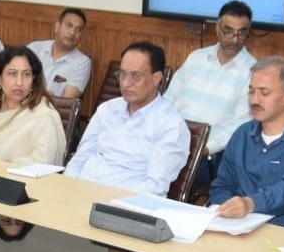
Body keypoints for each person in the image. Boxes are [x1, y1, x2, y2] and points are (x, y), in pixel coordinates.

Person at [209, 56, 284, 233]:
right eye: (251, 92)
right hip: (238, 230)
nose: (254, 100)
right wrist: (224, 209)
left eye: (264, 93)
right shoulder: (242, 134)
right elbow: (222, 185)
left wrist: (250, 204)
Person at [64, 42, 190, 196]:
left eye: (135, 76)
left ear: (156, 78)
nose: (125, 83)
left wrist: (108, 205)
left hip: (121, 205)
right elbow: (79, 158)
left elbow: (154, 188)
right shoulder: (107, 109)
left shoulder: (171, 125)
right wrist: (67, 190)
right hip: (79, 194)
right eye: (122, 74)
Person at [161, 0, 255, 158]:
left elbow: (240, 124)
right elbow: (168, 100)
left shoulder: (252, 72)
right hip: (170, 140)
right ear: (217, 28)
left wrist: (204, 149)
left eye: (241, 33)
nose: (234, 39)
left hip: (208, 154)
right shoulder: (196, 57)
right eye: (228, 31)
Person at [27, 8, 92, 99]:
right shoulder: (34, 48)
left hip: (49, 108)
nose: (73, 33)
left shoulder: (82, 62)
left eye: (79, 29)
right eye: (69, 25)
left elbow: (66, 102)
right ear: (57, 27)